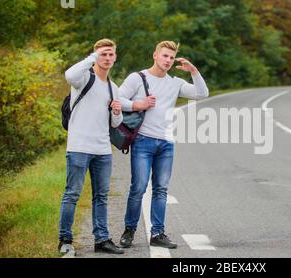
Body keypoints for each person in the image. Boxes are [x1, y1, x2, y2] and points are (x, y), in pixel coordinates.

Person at [118, 41, 209, 249]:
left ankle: (157, 233)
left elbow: (202, 94)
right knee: (139, 187)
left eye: (171, 57)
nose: (168, 60)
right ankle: (129, 230)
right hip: (142, 141)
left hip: (166, 144)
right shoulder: (137, 78)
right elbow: (116, 99)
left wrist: (194, 71)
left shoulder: (175, 83)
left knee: (161, 189)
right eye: (164, 56)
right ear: (155, 55)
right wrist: (137, 104)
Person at [58, 38, 124, 255]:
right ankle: (65, 240)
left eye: (110, 54)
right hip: (79, 147)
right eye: (103, 54)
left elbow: (116, 123)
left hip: (103, 150)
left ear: (115, 57)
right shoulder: (83, 78)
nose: (107, 58)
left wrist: (116, 111)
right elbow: (69, 74)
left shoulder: (113, 87)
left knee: (101, 197)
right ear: (95, 55)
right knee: (72, 194)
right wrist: (92, 57)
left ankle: (102, 239)